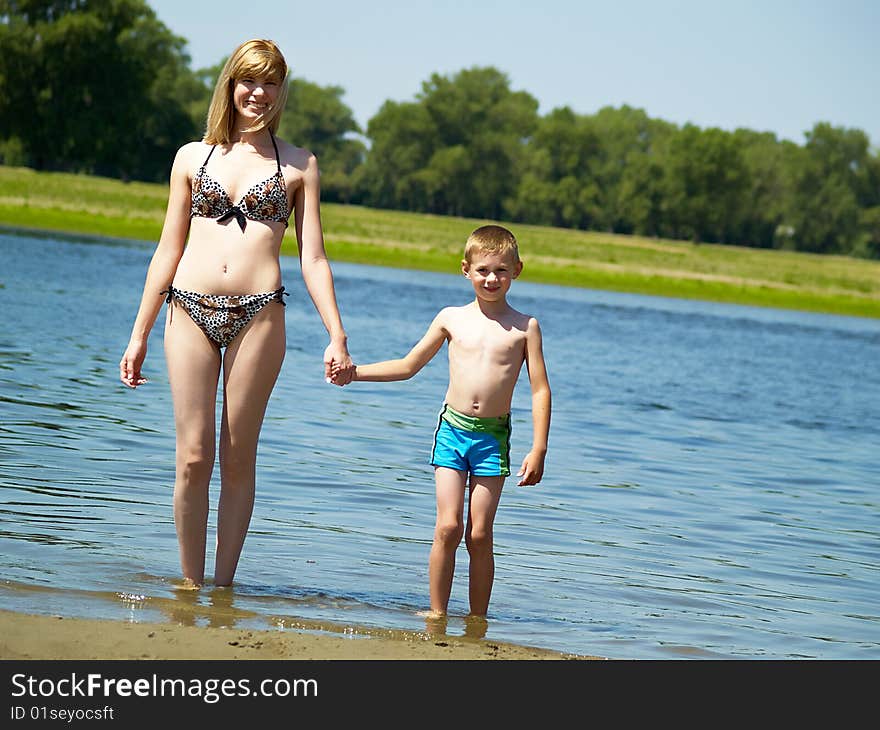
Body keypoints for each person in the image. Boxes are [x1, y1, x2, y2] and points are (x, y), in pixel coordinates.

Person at [119, 39, 353, 588]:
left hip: (260, 315)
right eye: (250, 81)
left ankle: (222, 587)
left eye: (271, 83)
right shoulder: (190, 157)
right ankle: (189, 584)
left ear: (281, 92)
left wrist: (337, 335)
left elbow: (313, 256)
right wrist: (139, 334)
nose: (259, 93)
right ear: (231, 84)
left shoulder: (298, 165)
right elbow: (167, 249)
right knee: (194, 457)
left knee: (237, 454)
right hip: (189, 309)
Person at [339, 225, 551, 618]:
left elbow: (540, 390)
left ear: (517, 270)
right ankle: (437, 613)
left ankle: (477, 620)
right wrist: (356, 372)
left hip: (492, 438)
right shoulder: (451, 318)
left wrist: (538, 447)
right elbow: (408, 366)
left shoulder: (525, 327)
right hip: (452, 432)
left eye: (501, 270)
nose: (492, 278)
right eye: (483, 270)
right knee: (449, 526)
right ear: (465, 270)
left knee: (479, 533)